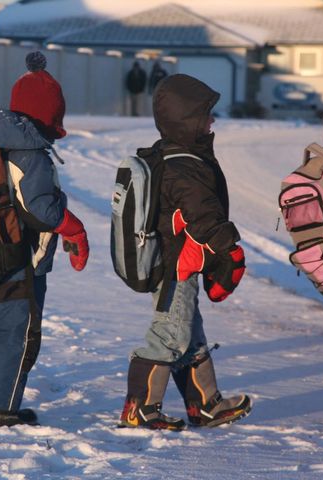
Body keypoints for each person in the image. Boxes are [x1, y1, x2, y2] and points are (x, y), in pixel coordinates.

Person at [118, 74, 251, 430]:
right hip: (175, 267)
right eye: (206, 115)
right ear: (187, 118)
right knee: (170, 334)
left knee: (189, 335)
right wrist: (230, 252)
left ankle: (206, 405)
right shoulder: (184, 166)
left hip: (181, 265)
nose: (211, 122)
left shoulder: (175, 156)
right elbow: (204, 218)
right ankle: (139, 408)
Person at [0, 51, 90, 430]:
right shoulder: (29, 152)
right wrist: (74, 228)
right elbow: (40, 211)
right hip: (17, 259)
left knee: (2, 332)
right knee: (17, 336)